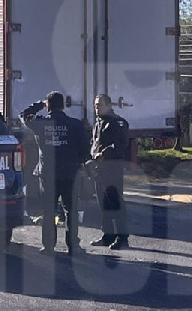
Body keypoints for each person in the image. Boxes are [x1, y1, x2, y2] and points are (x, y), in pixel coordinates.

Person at [20, 91, 88, 256]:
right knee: (70, 210)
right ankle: (73, 246)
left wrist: (40, 104)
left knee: (48, 210)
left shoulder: (41, 123)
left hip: (48, 173)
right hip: (70, 172)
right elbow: (85, 149)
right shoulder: (75, 125)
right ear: (63, 105)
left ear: (48, 105)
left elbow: (24, 115)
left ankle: (49, 246)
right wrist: (77, 162)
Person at [87, 94, 130, 250]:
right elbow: (94, 143)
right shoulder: (98, 123)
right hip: (99, 169)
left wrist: (103, 154)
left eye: (99, 105)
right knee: (103, 203)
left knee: (116, 202)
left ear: (109, 105)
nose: (96, 108)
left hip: (113, 168)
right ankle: (108, 235)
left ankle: (122, 237)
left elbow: (119, 145)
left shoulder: (117, 123)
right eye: (95, 105)